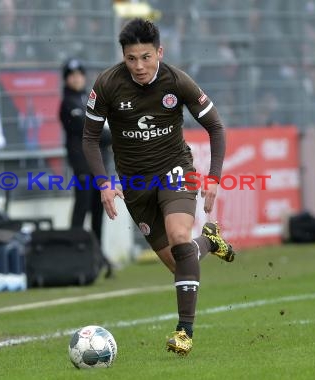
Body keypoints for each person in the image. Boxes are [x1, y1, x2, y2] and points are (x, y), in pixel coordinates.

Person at [82, 18, 236, 356]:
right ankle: (209, 241)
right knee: (180, 261)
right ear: (123, 56)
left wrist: (213, 178)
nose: (139, 66)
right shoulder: (107, 84)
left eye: (146, 57)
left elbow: (216, 126)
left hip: (175, 170)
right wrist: (105, 183)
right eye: (131, 58)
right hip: (135, 185)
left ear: (159, 53)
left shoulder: (176, 81)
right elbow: (90, 138)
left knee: (180, 238)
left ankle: (185, 332)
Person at [59, 58, 114, 278]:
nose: (76, 78)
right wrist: (115, 136)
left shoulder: (87, 100)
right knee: (82, 207)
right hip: (82, 165)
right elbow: (90, 131)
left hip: (99, 165)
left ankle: (98, 255)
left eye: (79, 74)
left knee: (99, 210)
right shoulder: (68, 103)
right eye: (71, 75)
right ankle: (73, 255)